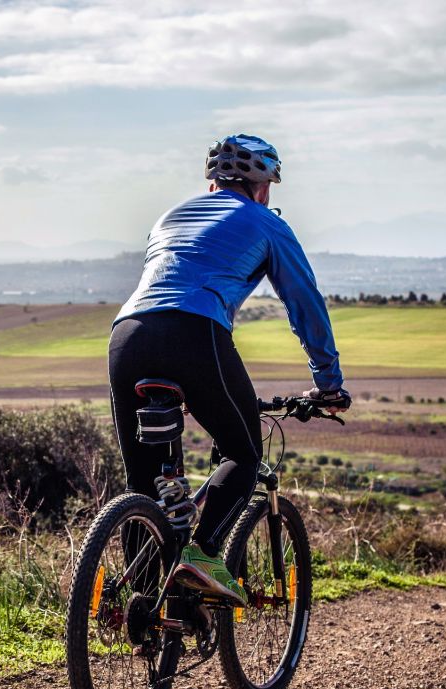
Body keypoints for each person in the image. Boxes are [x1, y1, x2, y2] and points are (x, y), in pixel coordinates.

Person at [108, 133, 349, 606]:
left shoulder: (170, 216)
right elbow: (305, 304)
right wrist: (328, 382)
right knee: (242, 450)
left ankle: (141, 605)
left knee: (144, 481)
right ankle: (202, 556)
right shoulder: (265, 222)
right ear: (263, 186)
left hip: (127, 334)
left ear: (213, 180)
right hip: (195, 334)